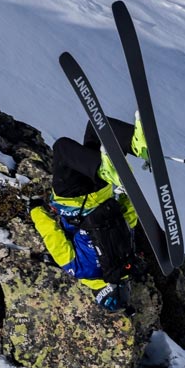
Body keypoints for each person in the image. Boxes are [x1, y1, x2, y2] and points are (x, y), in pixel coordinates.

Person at [30, 114, 149, 310]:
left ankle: (136, 145)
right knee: (62, 148)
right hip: (72, 197)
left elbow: (128, 220)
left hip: (103, 190)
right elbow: (52, 234)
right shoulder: (79, 270)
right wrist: (35, 210)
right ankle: (105, 168)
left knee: (97, 128)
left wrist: (128, 195)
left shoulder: (126, 258)